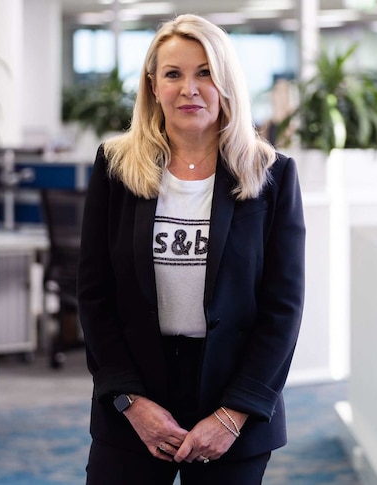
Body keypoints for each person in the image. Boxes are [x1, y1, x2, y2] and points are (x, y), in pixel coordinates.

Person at [77, 13, 306, 485]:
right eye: (173, 74)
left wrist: (233, 415)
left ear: (226, 82)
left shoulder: (271, 174)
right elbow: (94, 295)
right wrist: (130, 403)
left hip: (231, 394)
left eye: (205, 73)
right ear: (153, 84)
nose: (190, 88)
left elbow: (282, 308)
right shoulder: (115, 167)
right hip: (136, 393)